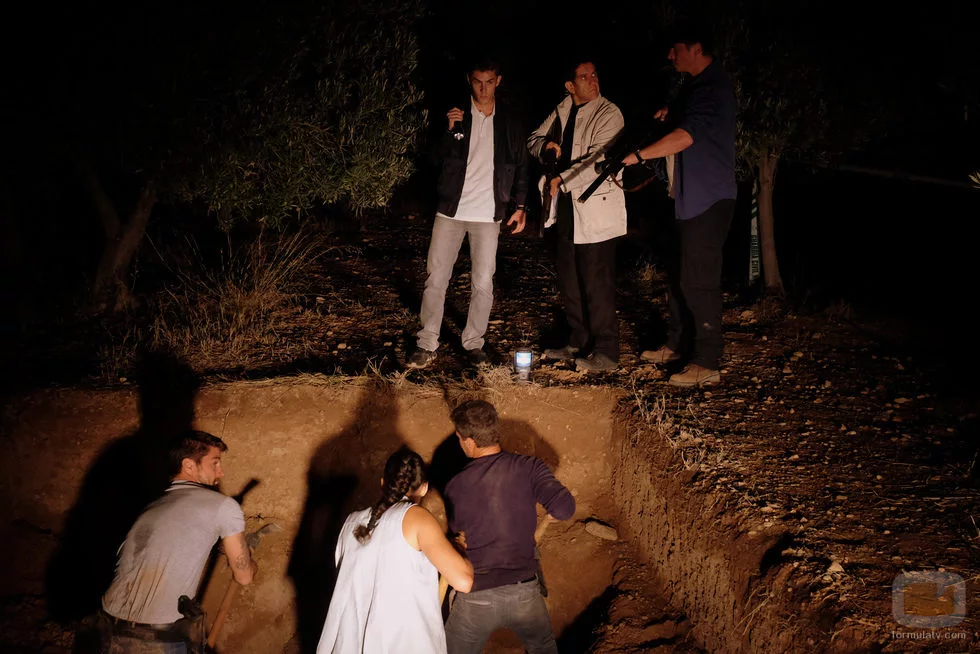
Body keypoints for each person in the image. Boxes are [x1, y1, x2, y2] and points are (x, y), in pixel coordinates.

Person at [622, 20, 737, 387]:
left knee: (699, 280)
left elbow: (687, 137)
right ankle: (676, 344)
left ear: (697, 48)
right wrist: (669, 114)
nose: (670, 55)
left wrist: (640, 155)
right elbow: (683, 125)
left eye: (677, 49)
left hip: (708, 199)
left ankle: (707, 361)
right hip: (686, 199)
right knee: (678, 274)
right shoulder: (694, 87)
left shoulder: (712, 87)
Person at [406, 58, 529, 370]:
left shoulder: (509, 122)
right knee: (436, 278)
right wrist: (449, 131)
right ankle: (426, 342)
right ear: (469, 81)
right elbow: (432, 159)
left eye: (489, 81)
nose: (483, 88)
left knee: (483, 282)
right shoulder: (456, 115)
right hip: (451, 211)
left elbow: (521, 166)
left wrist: (520, 206)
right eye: (478, 81)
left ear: (498, 81)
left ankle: (473, 343)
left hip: (488, 214)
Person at [100, 430, 256, 653]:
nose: (220, 472)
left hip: (105, 626)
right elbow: (244, 576)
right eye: (215, 463)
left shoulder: (154, 504)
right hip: (154, 638)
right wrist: (251, 563)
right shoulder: (224, 506)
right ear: (189, 465)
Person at [442, 400, 576, 654]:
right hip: (524, 593)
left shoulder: (455, 485)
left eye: (459, 438)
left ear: (469, 441)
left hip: (476, 597)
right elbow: (564, 509)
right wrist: (548, 516)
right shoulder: (530, 467)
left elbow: (459, 537)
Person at [317, 448, 474, 654]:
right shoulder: (417, 518)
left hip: (350, 643)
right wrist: (459, 550)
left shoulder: (351, 522)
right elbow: (463, 581)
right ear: (424, 488)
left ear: (383, 483)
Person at [528, 60, 627, 372]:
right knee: (570, 280)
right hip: (566, 208)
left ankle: (607, 350)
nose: (593, 80)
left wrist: (562, 179)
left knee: (596, 282)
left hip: (595, 205)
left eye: (594, 74)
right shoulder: (563, 109)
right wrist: (546, 146)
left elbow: (600, 159)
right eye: (584, 76)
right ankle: (579, 340)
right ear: (570, 86)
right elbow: (533, 140)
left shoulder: (609, 113)